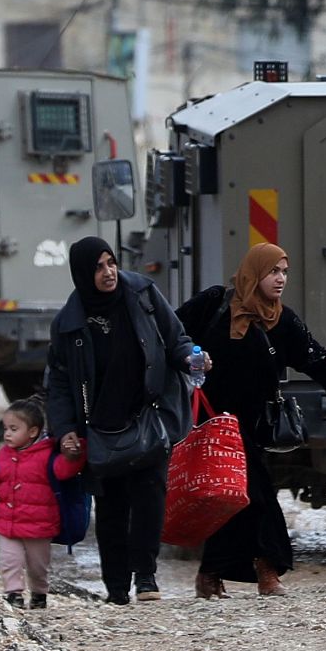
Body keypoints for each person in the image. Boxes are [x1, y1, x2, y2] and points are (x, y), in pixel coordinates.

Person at [176, 242, 326, 599]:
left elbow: (313, 357)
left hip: (253, 427)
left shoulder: (281, 319)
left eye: (284, 272)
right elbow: (172, 335)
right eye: (273, 271)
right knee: (251, 495)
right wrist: (193, 357)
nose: (280, 279)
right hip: (213, 421)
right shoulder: (215, 303)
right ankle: (264, 570)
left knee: (242, 495)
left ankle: (214, 574)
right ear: (255, 273)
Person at [43, 236, 193, 605]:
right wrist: (63, 431)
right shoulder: (69, 323)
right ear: (82, 272)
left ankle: (146, 578)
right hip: (100, 430)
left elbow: (175, 340)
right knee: (110, 509)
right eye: (98, 267)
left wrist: (192, 358)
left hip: (147, 417)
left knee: (149, 499)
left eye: (110, 262)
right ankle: (115, 588)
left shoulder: (141, 294)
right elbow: (59, 383)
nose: (108, 272)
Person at [0, 397, 85, 610]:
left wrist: (73, 457)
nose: (7, 434)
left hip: (38, 526)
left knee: (37, 566)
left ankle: (39, 593)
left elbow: (64, 471)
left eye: (14, 429)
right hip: (8, 523)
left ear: (32, 432)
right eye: (5, 428)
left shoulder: (48, 455)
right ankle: (13, 593)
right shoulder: (5, 455)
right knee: (9, 561)